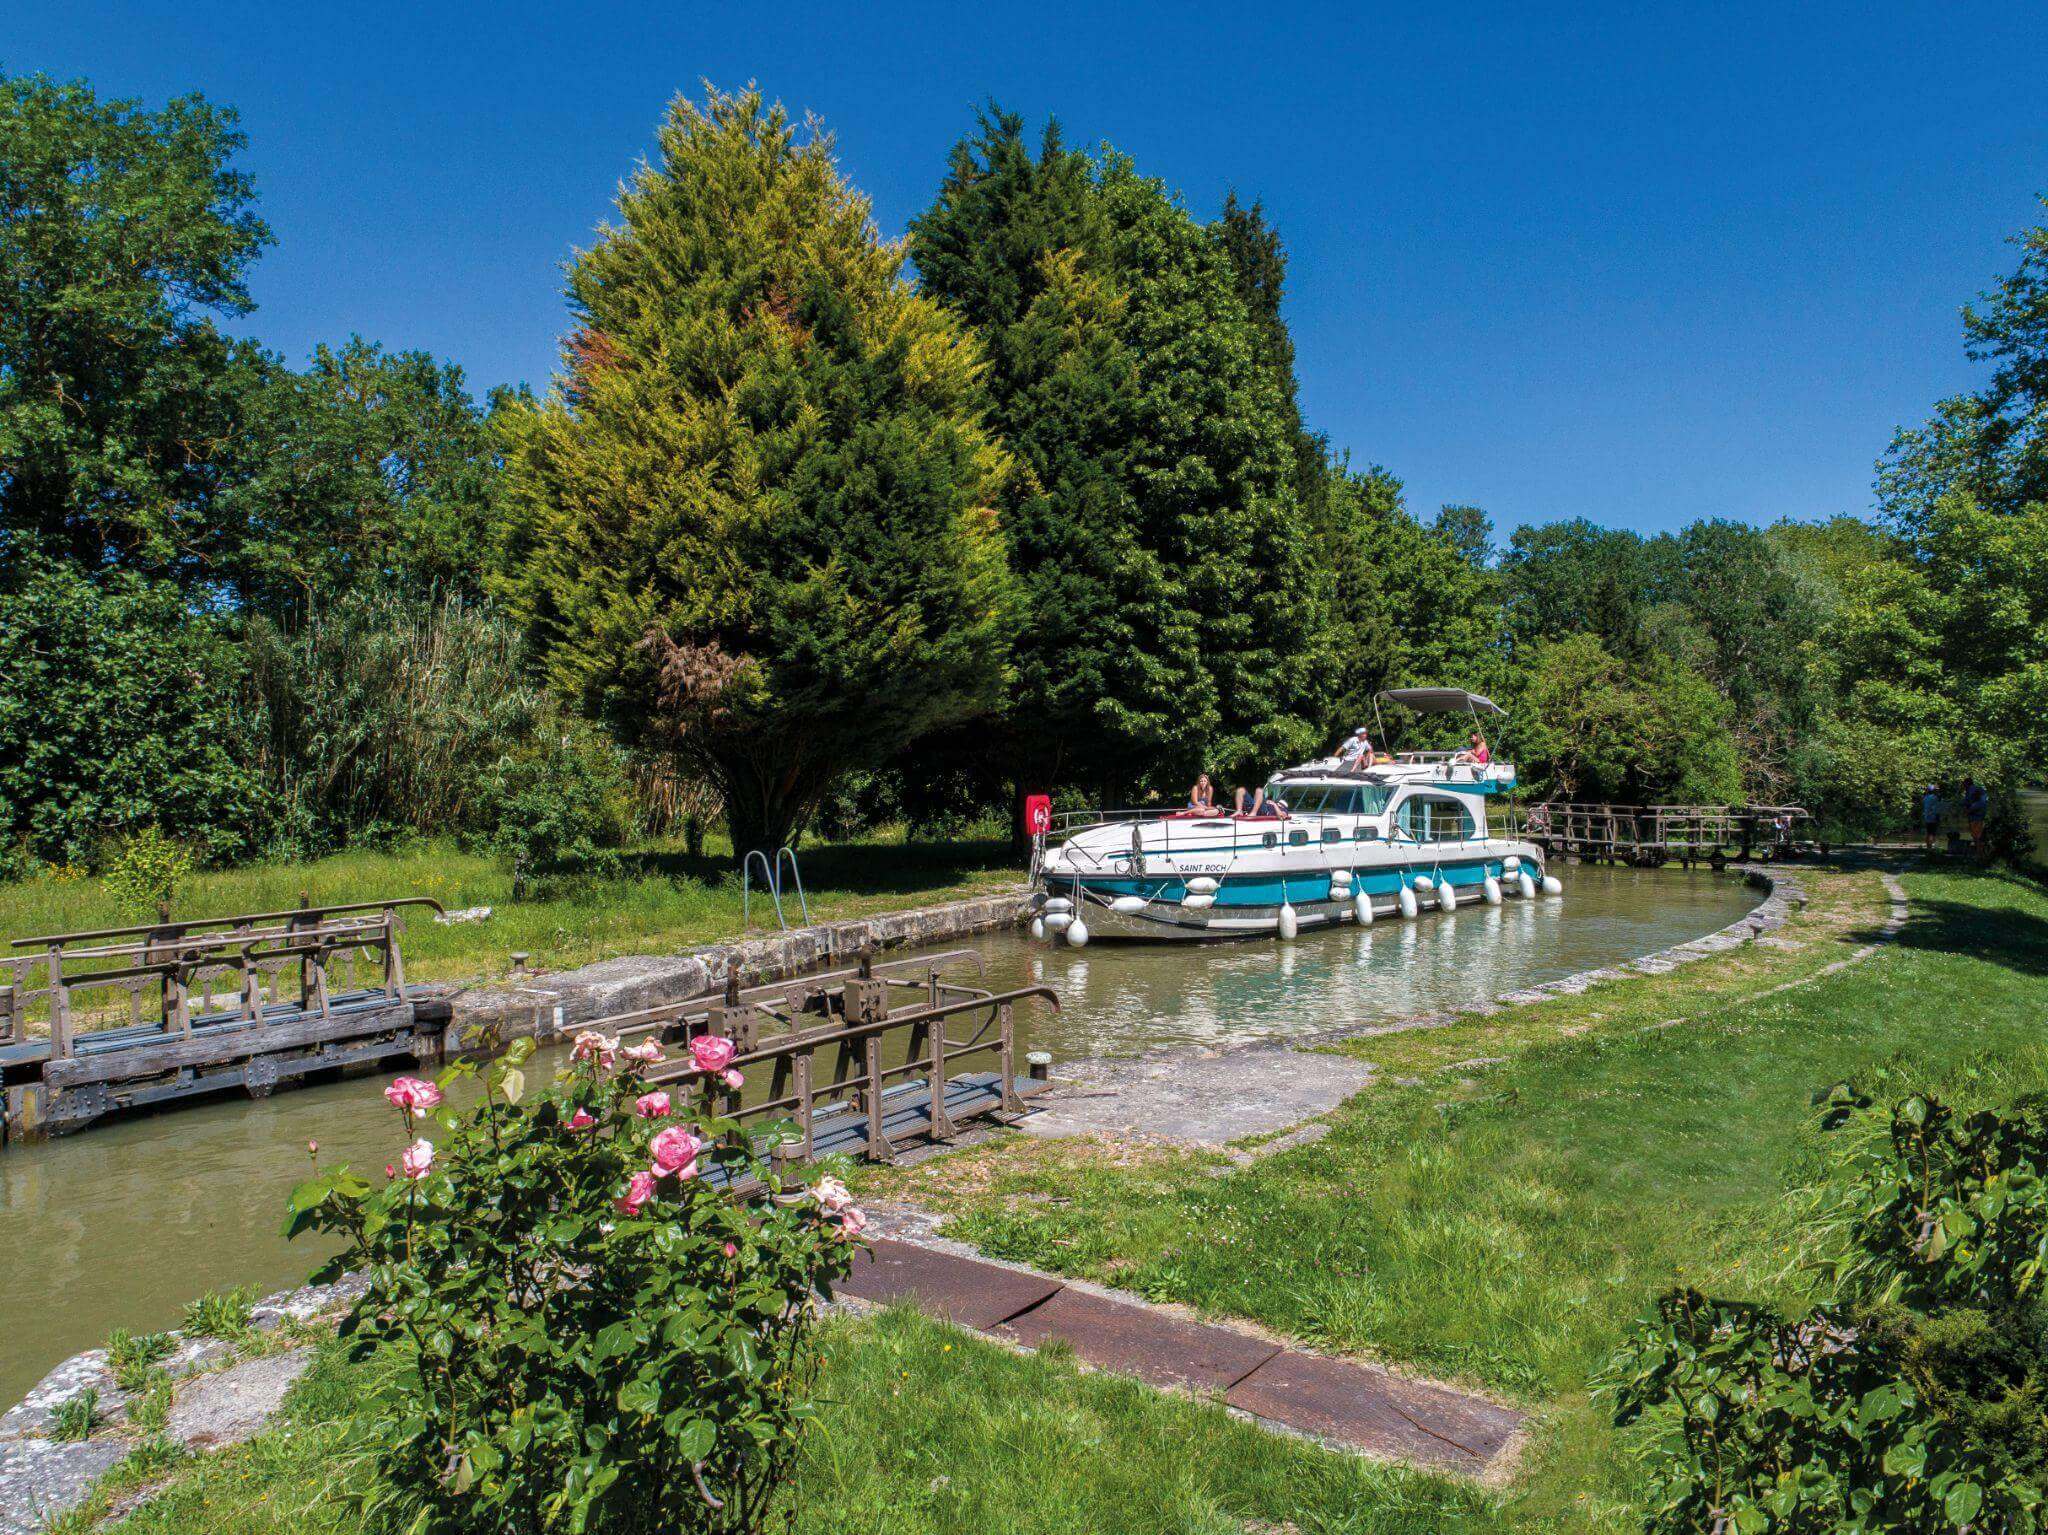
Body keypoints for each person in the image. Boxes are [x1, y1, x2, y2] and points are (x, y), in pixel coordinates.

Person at [1963, 777, 1991, 861]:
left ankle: (1979, 854)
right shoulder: (1977, 791)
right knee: (1976, 835)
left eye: (1964, 783)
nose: (1963, 785)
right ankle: (1980, 853)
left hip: (1975, 817)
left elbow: (1972, 805)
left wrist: (1967, 810)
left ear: (1967, 783)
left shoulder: (1972, 792)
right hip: (1978, 816)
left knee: (1976, 836)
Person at [1920, 783, 1942, 851]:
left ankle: (1928, 847)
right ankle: (1932, 847)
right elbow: (1936, 808)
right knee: (1933, 833)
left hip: (1926, 817)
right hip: (1933, 817)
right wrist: (1938, 817)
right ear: (1933, 791)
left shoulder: (1925, 798)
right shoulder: (1934, 797)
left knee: (1928, 832)